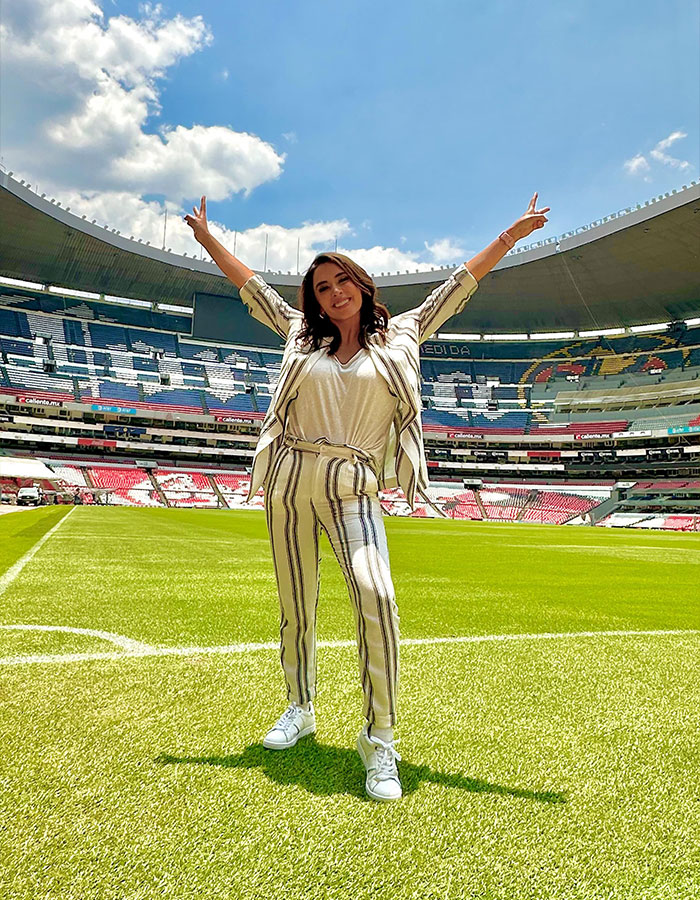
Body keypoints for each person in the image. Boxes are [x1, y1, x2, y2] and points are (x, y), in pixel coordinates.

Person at [185, 193, 549, 801]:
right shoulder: (302, 338)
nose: (333, 293)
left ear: (361, 283)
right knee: (295, 603)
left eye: (342, 280)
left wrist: (511, 236)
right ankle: (299, 707)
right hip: (289, 479)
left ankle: (381, 740)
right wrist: (206, 239)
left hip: (354, 486)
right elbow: (253, 289)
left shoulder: (403, 335)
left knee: (377, 596)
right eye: (322, 287)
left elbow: (461, 284)